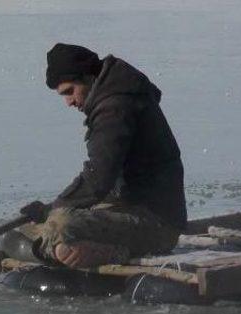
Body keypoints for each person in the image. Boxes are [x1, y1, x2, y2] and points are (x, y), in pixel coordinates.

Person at [17, 43, 187, 268]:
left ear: (88, 77)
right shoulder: (114, 98)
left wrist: (51, 209)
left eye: (69, 91)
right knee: (30, 230)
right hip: (129, 208)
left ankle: (113, 253)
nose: (68, 102)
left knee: (59, 225)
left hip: (157, 224)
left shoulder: (115, 108)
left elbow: (98, 179)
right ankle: (65, 249)